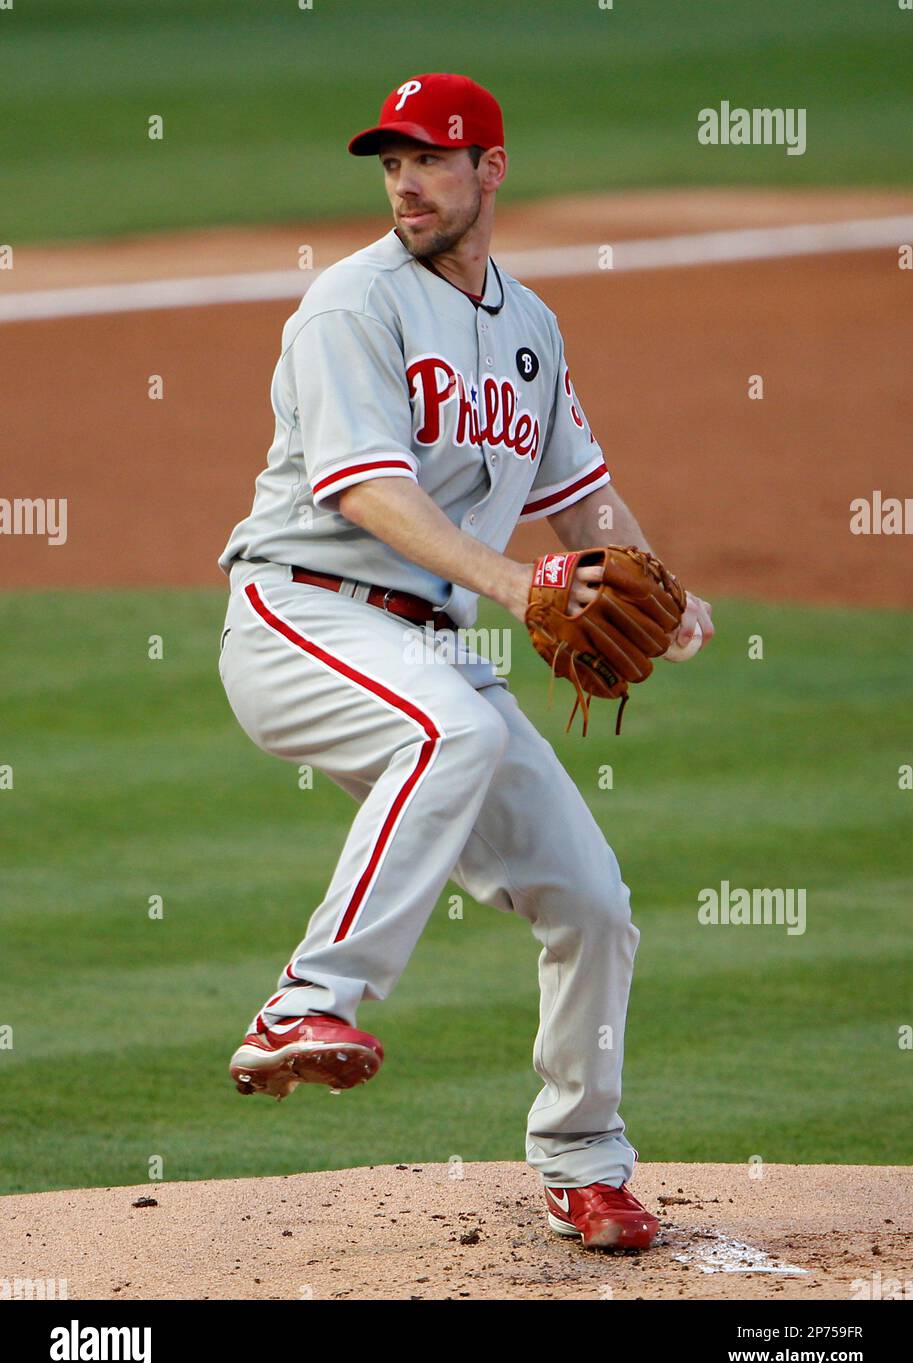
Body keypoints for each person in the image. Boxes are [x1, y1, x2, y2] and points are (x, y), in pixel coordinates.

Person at [216, 72, 713, 1250]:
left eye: (431, 160)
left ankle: (585, 1161)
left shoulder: (531, 330)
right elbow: (367, 492)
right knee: (457, 725)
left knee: (591, 902)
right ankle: (307, 1003)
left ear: (490, 168)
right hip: (302, 615)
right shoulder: (351, 306)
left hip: (423, 646)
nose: (405, 182)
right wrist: (517, 583)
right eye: (391, 163)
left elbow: (582, 502)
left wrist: (666, 592)